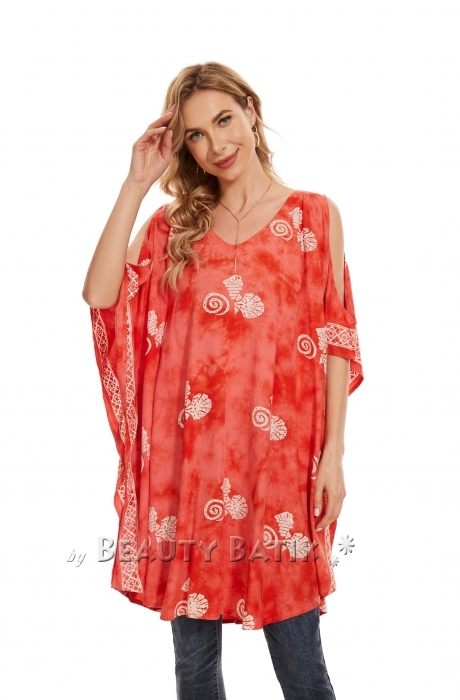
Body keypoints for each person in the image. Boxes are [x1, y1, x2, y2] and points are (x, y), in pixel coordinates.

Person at [82, 61, 364, 700]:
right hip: (190, 473)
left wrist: (333, 456)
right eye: (196, 135)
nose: (216, 144)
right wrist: (135, 185)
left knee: (301, 664)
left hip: (279, 471)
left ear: (251, 112)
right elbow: (100, 294)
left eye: (224, 120)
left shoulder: (314, 216)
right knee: (194, 669)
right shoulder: (173, 227)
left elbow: (334, 339)